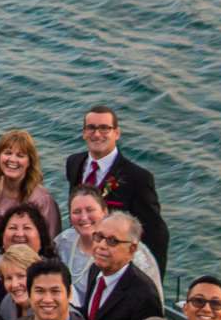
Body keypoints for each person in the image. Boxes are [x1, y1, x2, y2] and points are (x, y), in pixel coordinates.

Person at [63, 106, 168, 273]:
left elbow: (157, 235)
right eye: (91, 128)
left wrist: (152, 278)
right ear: (84, 133)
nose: (97, 134)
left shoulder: (138, 178)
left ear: (117, 133)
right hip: (82, 258)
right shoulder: (74, 163)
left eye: (104, 128)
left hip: (116, 263)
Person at [75, 214, 162, 320]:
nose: (101, 245)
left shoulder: (144, 295)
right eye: (99, 237)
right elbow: (92, 317)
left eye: (112, 241)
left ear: (132, 249)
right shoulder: (95, 270)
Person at [0, 129, 61, 238]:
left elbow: (51, 244)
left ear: (29, 162)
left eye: (20, 155)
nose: (12, 159)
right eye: (8, 153)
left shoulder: (42, 200)